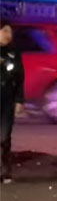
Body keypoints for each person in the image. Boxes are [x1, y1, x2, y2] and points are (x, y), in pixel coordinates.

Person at [1, 20, 25, 184]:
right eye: (4, 31)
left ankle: (5, 171)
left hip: (7, 98)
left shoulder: (14, 52)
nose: (8, 35)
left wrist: (19, 100)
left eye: (10, 32)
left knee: (4, 136)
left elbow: (20, 77)